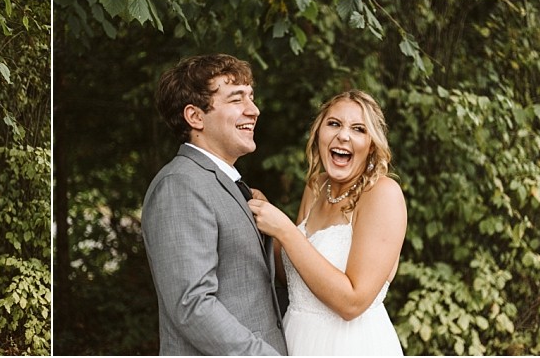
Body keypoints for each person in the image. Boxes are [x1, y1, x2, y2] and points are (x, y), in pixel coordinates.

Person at [141, 54, 287, 355]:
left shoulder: (228, 184)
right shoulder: (179, 184)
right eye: (237, 100)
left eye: (251, 98)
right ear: (195, 117)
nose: (254, 110)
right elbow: (192, 304)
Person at [248, 90, 407, 355]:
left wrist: (285, 230)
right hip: (297, 339)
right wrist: (268, 224)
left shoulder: (382, 194)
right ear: (319, 132)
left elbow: (352, 303)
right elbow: (296, 278)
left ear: (371, 145)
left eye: (358, 129)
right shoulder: (317, 186)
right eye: (334, 124)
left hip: (351, 345)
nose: (343, 135)